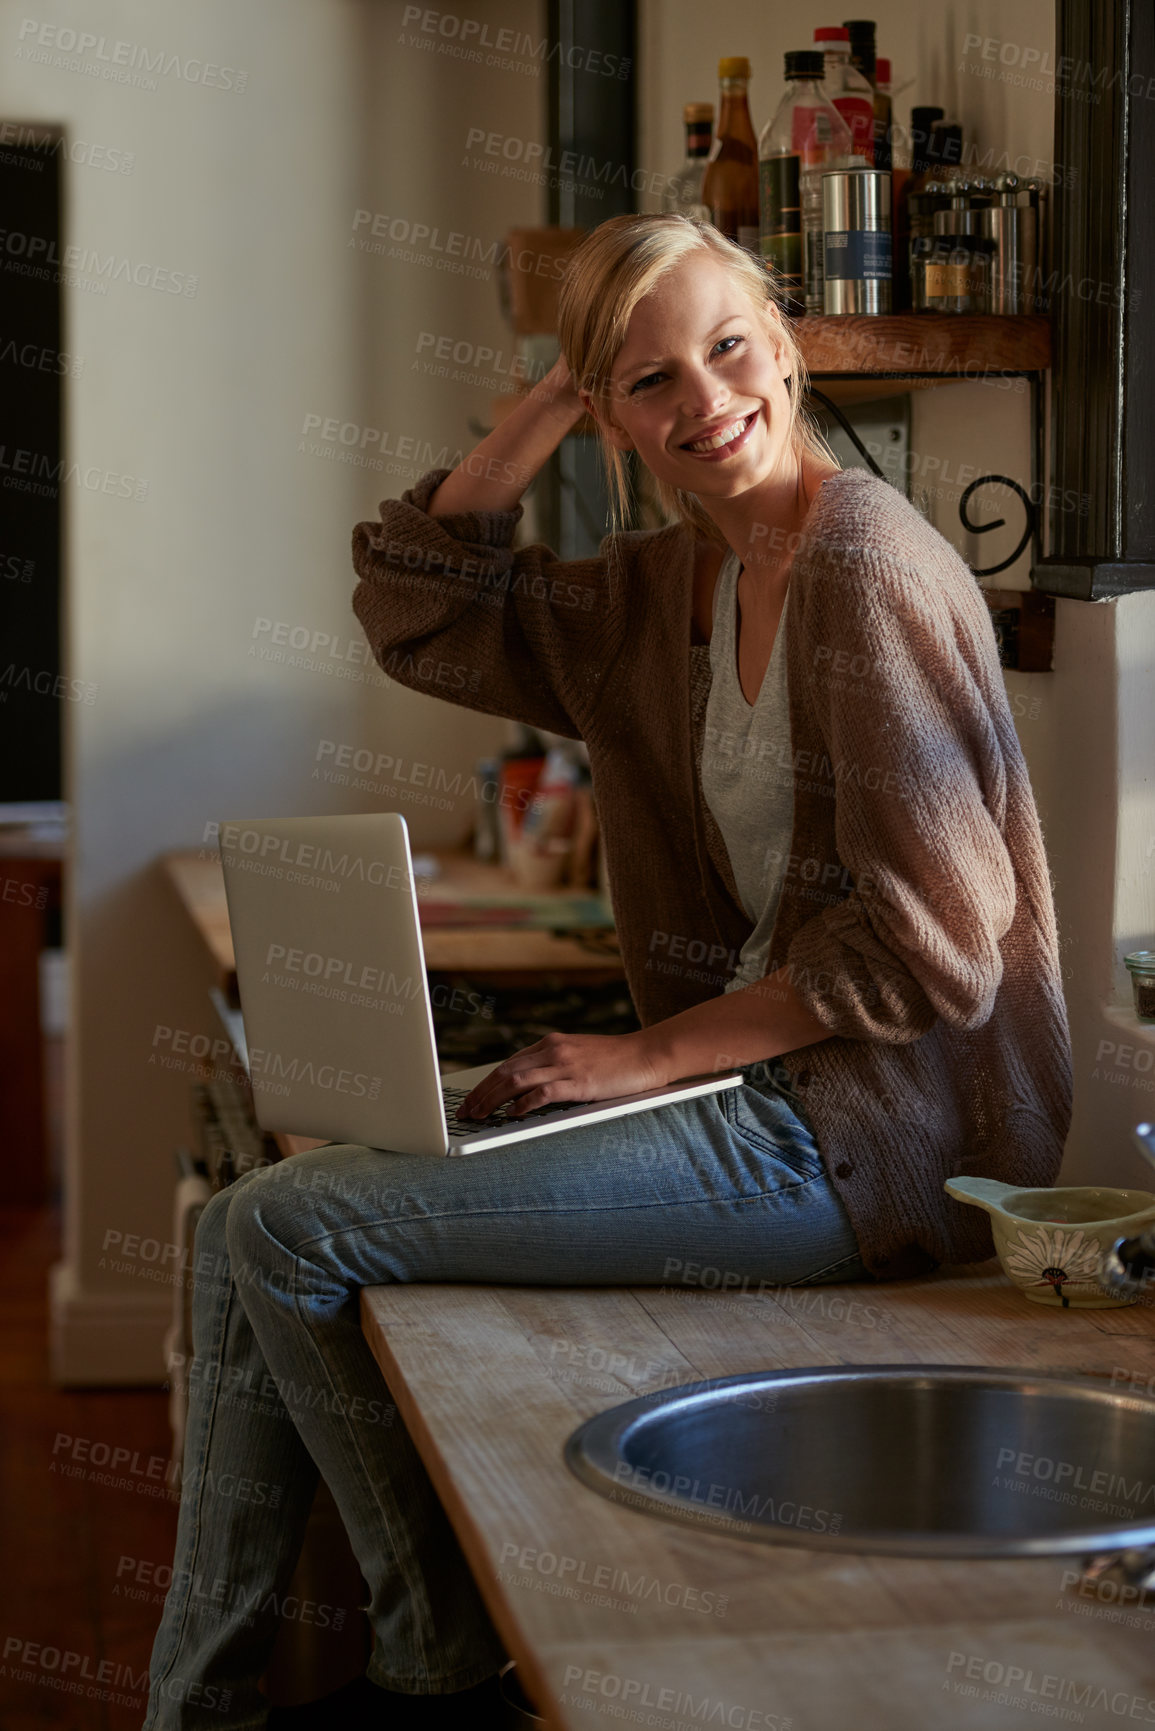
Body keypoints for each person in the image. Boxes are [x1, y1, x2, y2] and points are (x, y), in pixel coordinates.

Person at [144, 213, 1072, 1728]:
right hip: (767, 1100)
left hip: (875, 1144)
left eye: (725, 349)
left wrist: (642, 1058)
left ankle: (430, 1673)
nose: (704, 400)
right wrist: (550, 398)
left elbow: (934, 947)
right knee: (232, 1233)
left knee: (294, 1229)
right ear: (614, 420)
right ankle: (199, 1710)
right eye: (649, 385)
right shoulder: (671, 590)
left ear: (786, 341)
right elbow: (422, 608)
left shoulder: (869, 566)